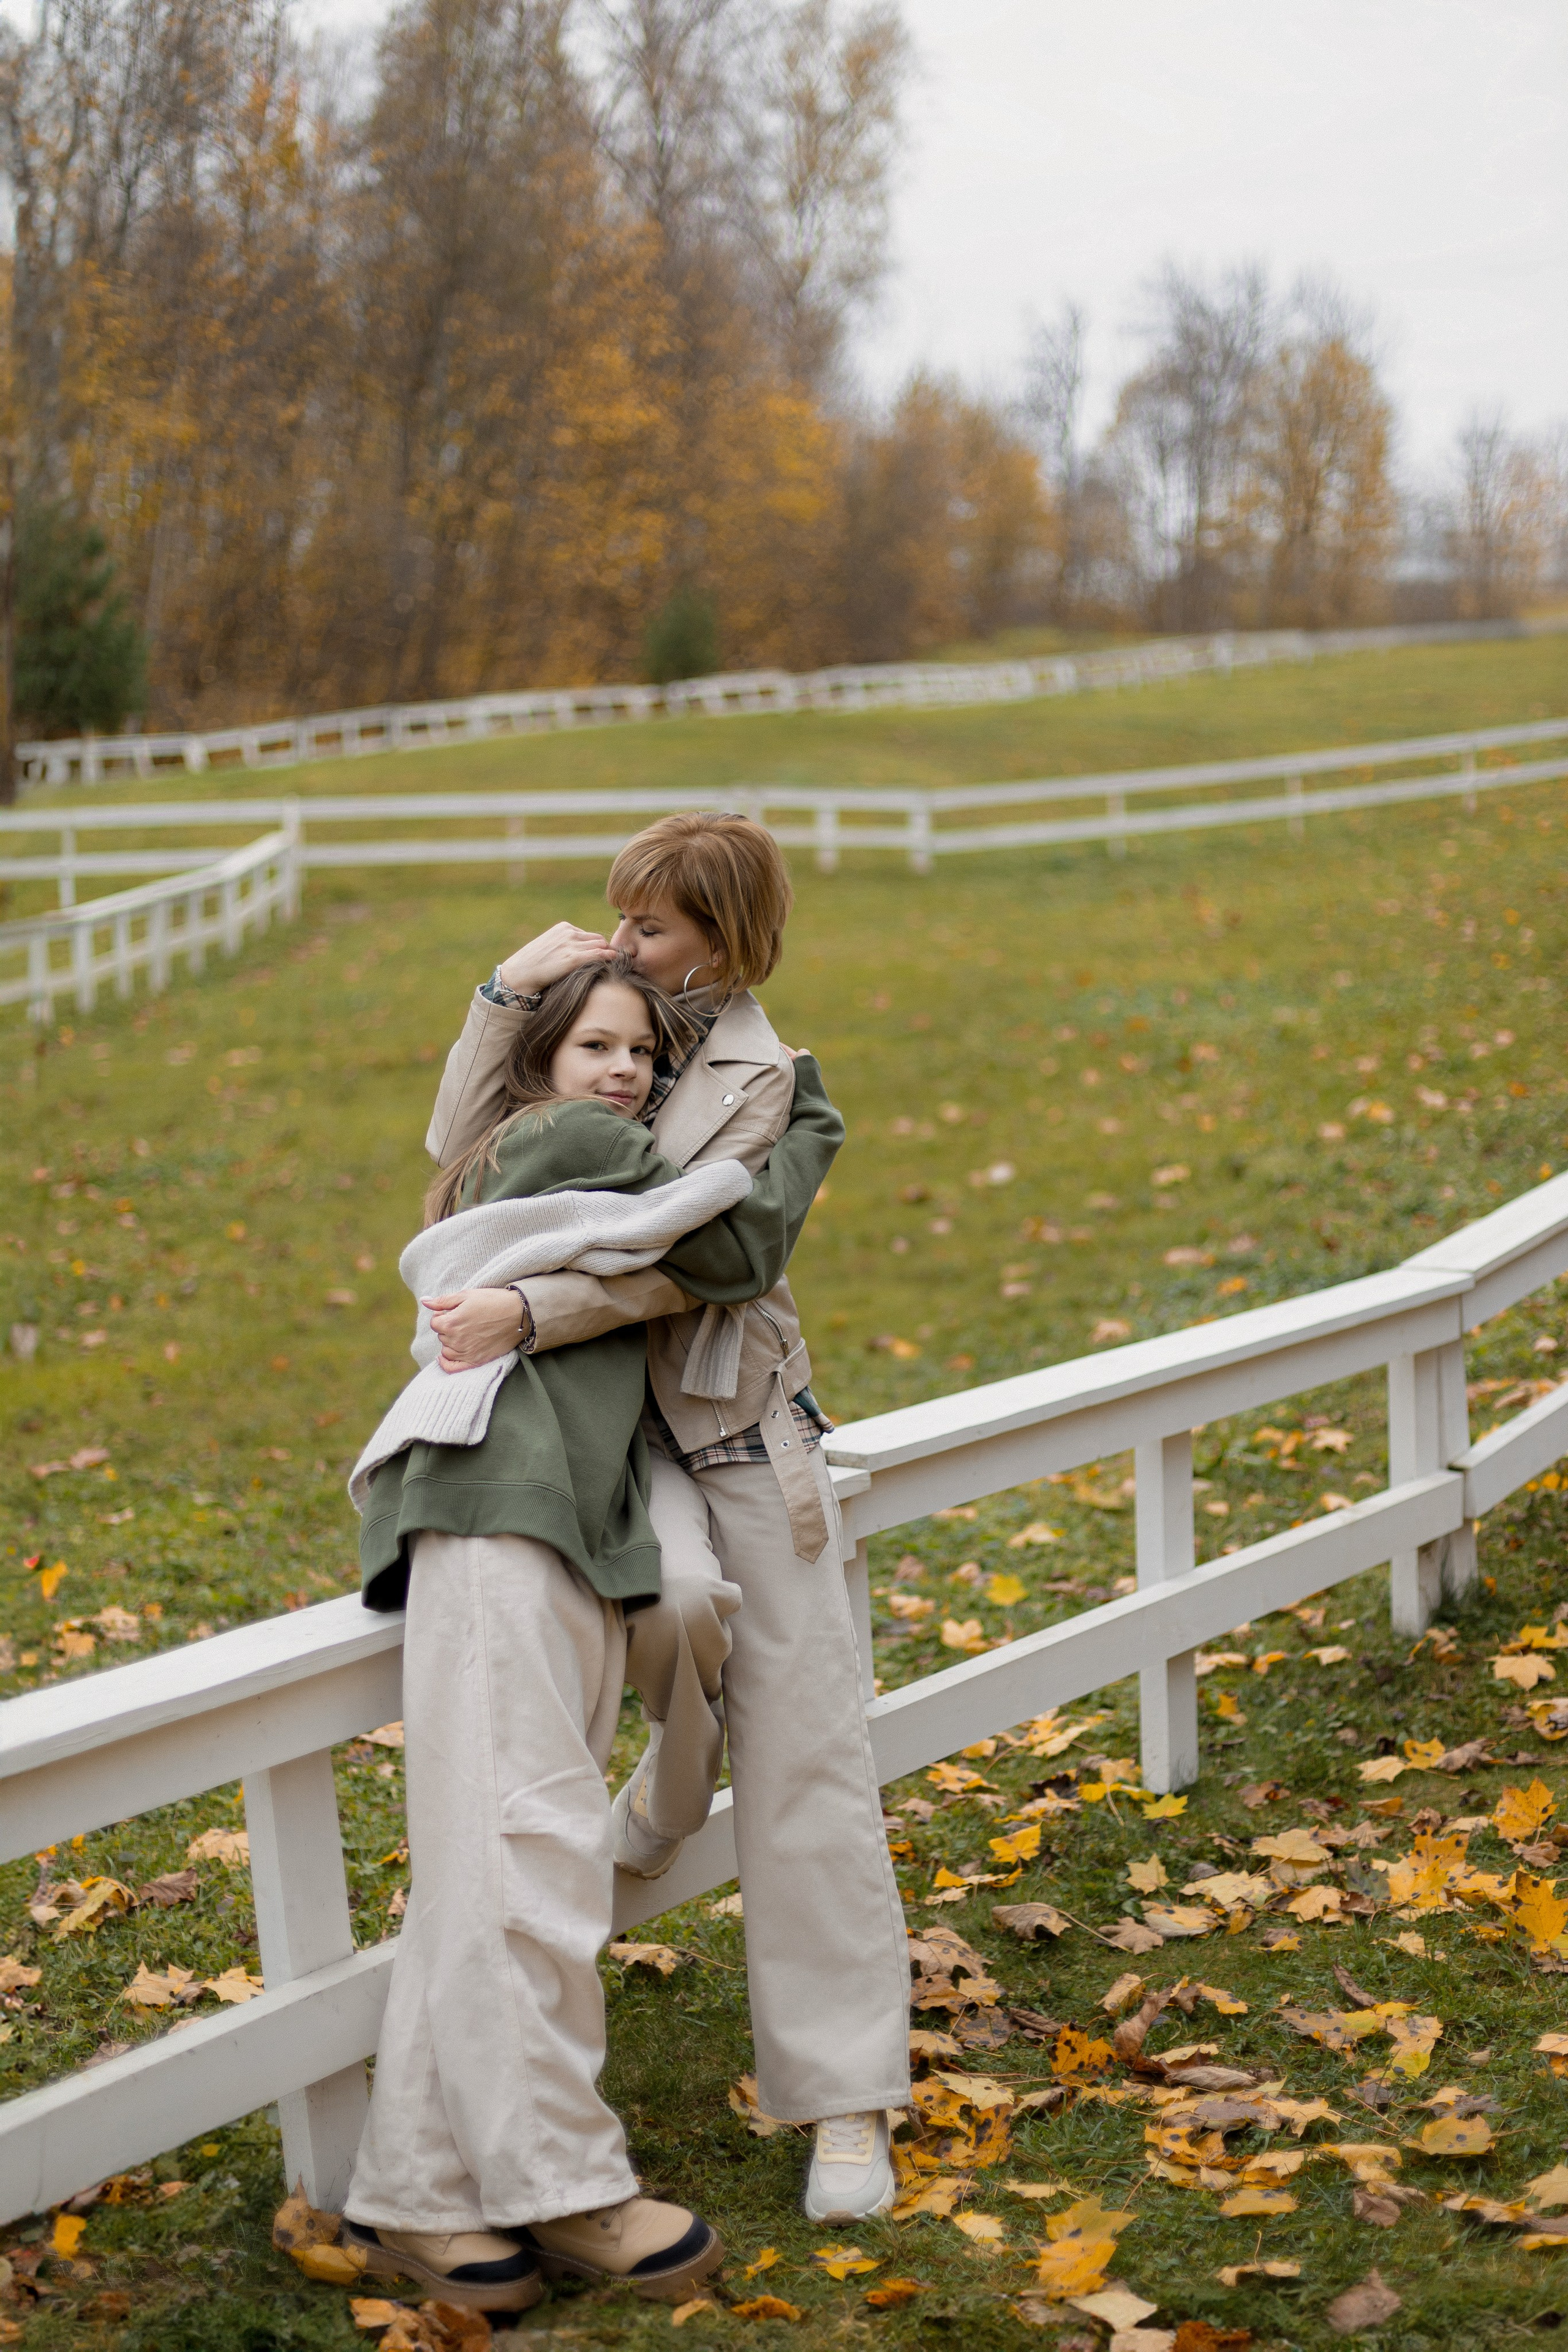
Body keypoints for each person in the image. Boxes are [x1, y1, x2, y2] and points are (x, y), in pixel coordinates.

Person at [423, 812, 911, 2226]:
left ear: (726, 937)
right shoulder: (587, 1017)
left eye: (649, 924)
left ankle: (843, 2103)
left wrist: (530, 1305)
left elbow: (713, 1255)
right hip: (581, 1434)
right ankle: (668, 1792)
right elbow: (464, 1167)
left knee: (809, 1747)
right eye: (617, 914)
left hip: (737, 1425)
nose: (617, 940)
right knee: (676, 1615)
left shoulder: (780, 1084)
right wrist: (503, 999)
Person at [343, 956, 839, 2313]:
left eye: (638, 1053)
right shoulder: (568, 1147)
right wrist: (801, 1121)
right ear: (544, 1071)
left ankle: (422, 2202)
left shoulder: (593, 1154)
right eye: (594, 1048)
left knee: (491, 1852)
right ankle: (567, 2186)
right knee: (526, 1850)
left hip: (559, 1510)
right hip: (498, 1504)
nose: (622, 1071)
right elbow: (733, 1240)